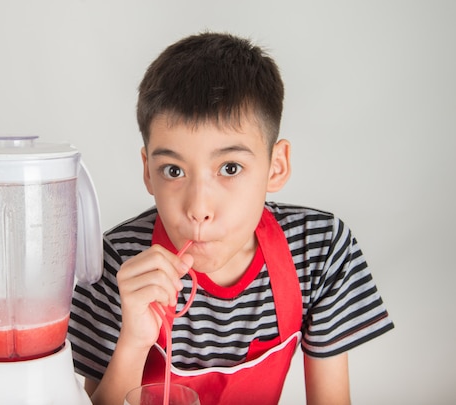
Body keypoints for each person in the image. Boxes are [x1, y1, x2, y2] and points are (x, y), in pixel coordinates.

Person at [67, 31, 394, 405]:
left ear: (276, 166)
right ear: (147, 171)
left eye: (230, 167)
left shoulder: (320, 250)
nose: (199, 208)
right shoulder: (116, 261)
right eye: (174, 171)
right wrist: (134, 339)